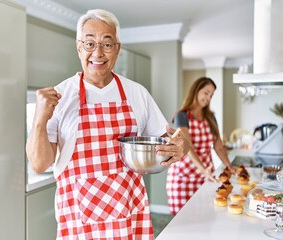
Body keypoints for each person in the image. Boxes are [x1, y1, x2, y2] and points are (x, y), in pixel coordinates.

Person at [26, 9, 188, 240]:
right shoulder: (61, 96)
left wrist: (182, 146)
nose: (98, 53)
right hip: (80, 220)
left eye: (107, 44)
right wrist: (40, 118)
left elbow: (171, 141)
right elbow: (39, 164)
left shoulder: (137, 93)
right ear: (78, 47)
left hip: (129, 217)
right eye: (90, 43)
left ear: (117, 49)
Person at [166, 77, 234, 215]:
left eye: (211, 95)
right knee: (183, 226)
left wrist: (229, 166)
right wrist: (203, 170)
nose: (209, 97)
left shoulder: (210, 117)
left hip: (206, 175)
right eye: (206, 92)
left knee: (206, 218)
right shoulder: (182, 116)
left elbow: (218, 146)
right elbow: (188, 146)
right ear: (196, 91)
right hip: (183, 178)